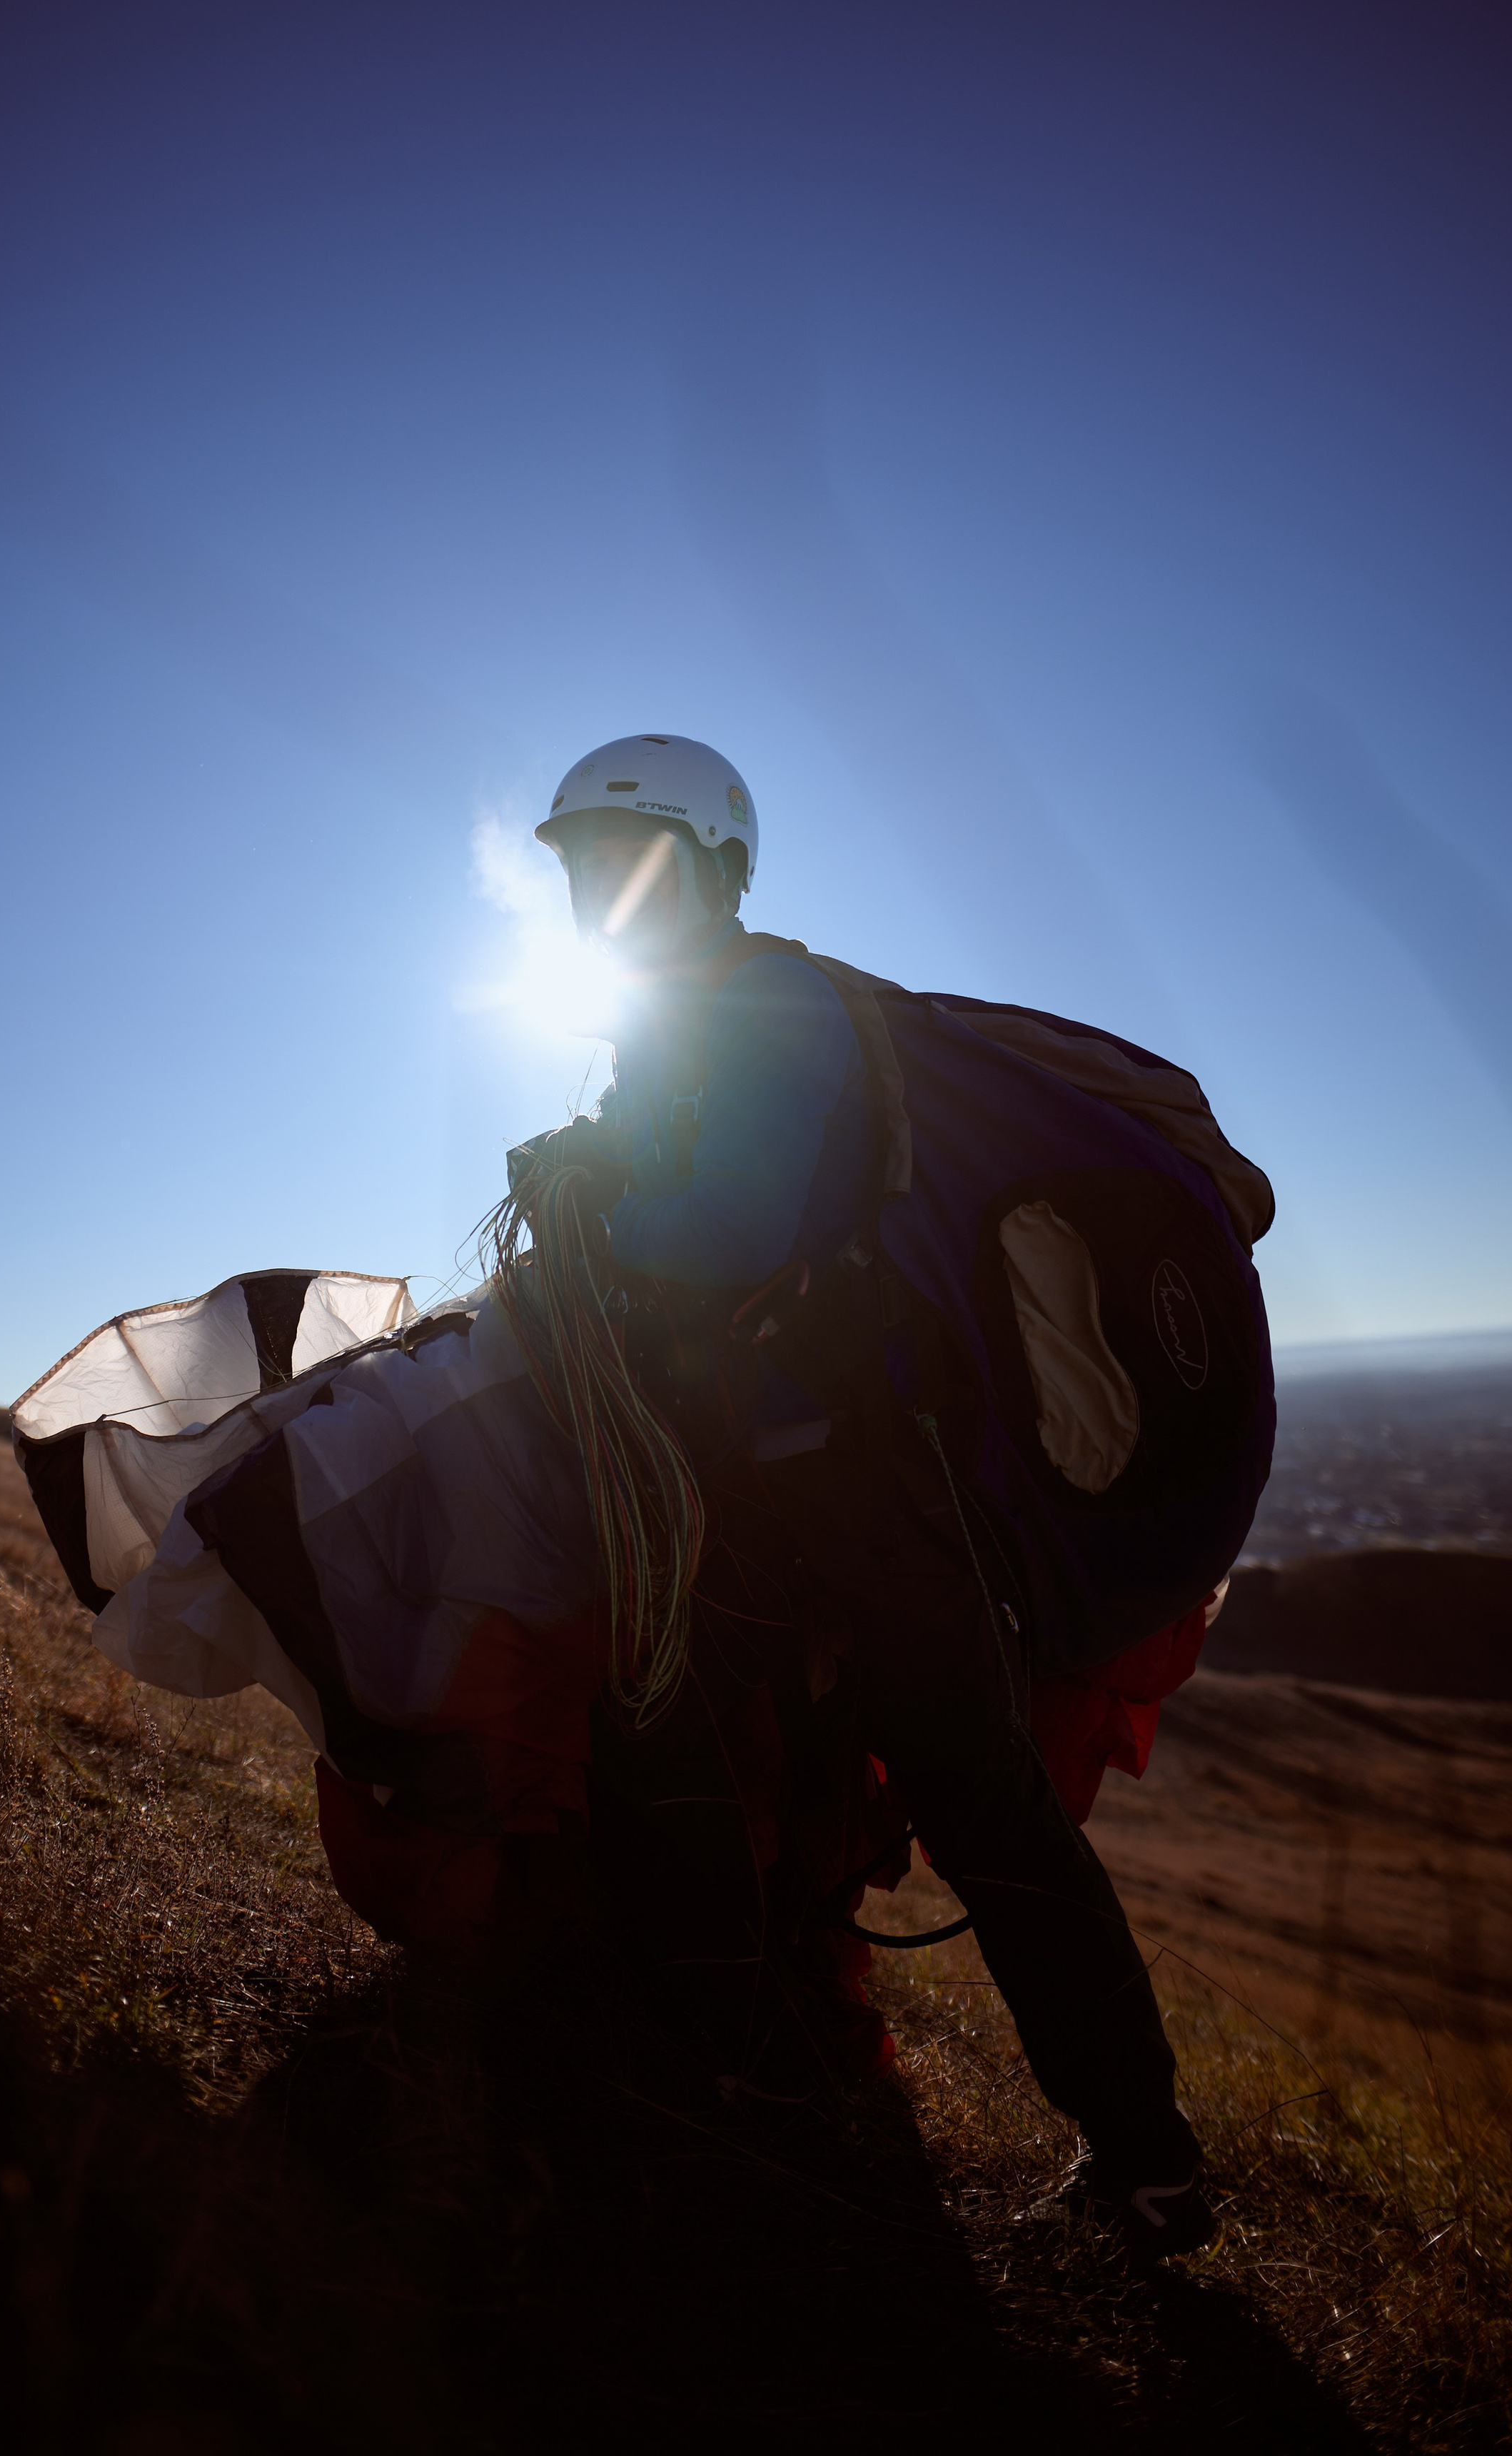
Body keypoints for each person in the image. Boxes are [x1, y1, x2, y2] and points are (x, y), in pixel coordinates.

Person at [527, 731, 1216, 2260]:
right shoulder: (683, 1022)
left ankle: (1138, 2152)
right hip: (781, 1483)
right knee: (717, 1752)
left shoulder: (765, 1005)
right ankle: (747, 2065)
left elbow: (729, 1228)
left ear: (707, 865)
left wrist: (599, 1200)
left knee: (963, 1801)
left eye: (617, 860)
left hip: (858, 1488)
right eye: (578, 866)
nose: (593, 891)